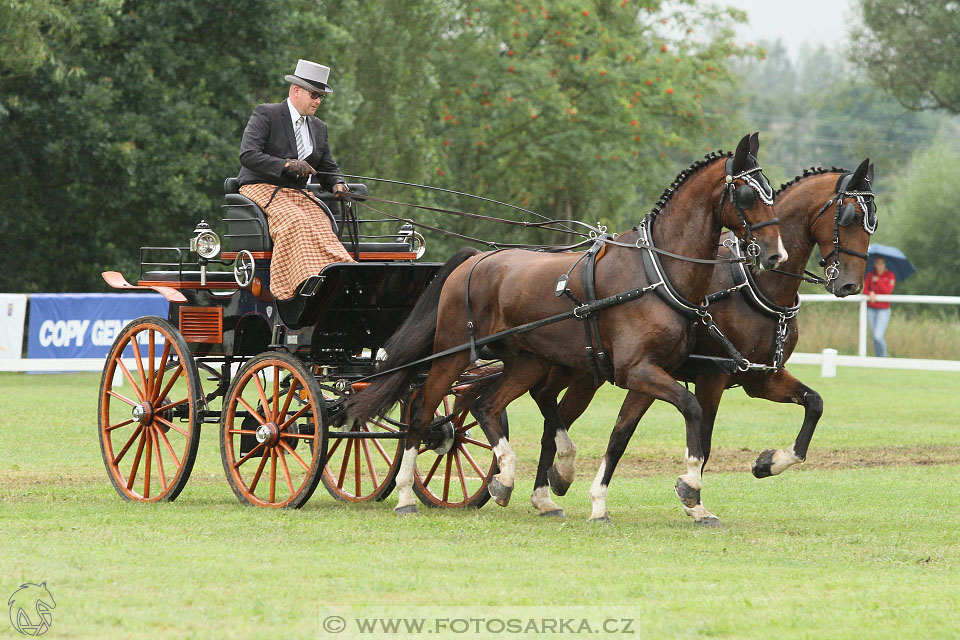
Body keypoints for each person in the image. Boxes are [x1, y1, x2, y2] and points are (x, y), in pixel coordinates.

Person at [236, 59, 354, 300]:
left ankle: (339, 273)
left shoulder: (319, 128)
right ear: (296, 90)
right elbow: (248, 155)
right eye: (314, 95)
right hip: (261, 187)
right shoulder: (267, 114)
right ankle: (298, 285)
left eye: (321, 96)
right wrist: (286, 164)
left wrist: (338, 184)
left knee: (322, 223)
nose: (318, 101)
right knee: (295, 221)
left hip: (296, 194)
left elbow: (327, 168)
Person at [864, 256, 896, 357]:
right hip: (871, 308)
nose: (880, 266)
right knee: (874, 336)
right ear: (875, 264)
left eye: (882, 263)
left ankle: (883, 357)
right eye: (878, 263)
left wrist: (878, 280)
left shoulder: (890, 275)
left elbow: (888, 291)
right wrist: (870, 294)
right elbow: (865, 290)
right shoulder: (870, 274)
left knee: (878, 336)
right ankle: (878, 358)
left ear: (885, 264)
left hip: (883, 309)